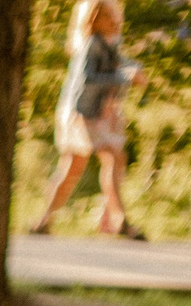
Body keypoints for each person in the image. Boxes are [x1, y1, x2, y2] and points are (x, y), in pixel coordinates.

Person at [30, 0, 149, 241]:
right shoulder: (90, 44)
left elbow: (117, 64)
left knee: (88, 163)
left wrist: (133, 68)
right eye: (108, 17)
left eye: (115, 15)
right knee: (103, 159)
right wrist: (124, 77)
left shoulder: (109, 43)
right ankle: (117, 220)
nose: (114, 21)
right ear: (93, 20)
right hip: (82, 113)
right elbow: (89, 78)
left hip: (96, 113)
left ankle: (46, 220)